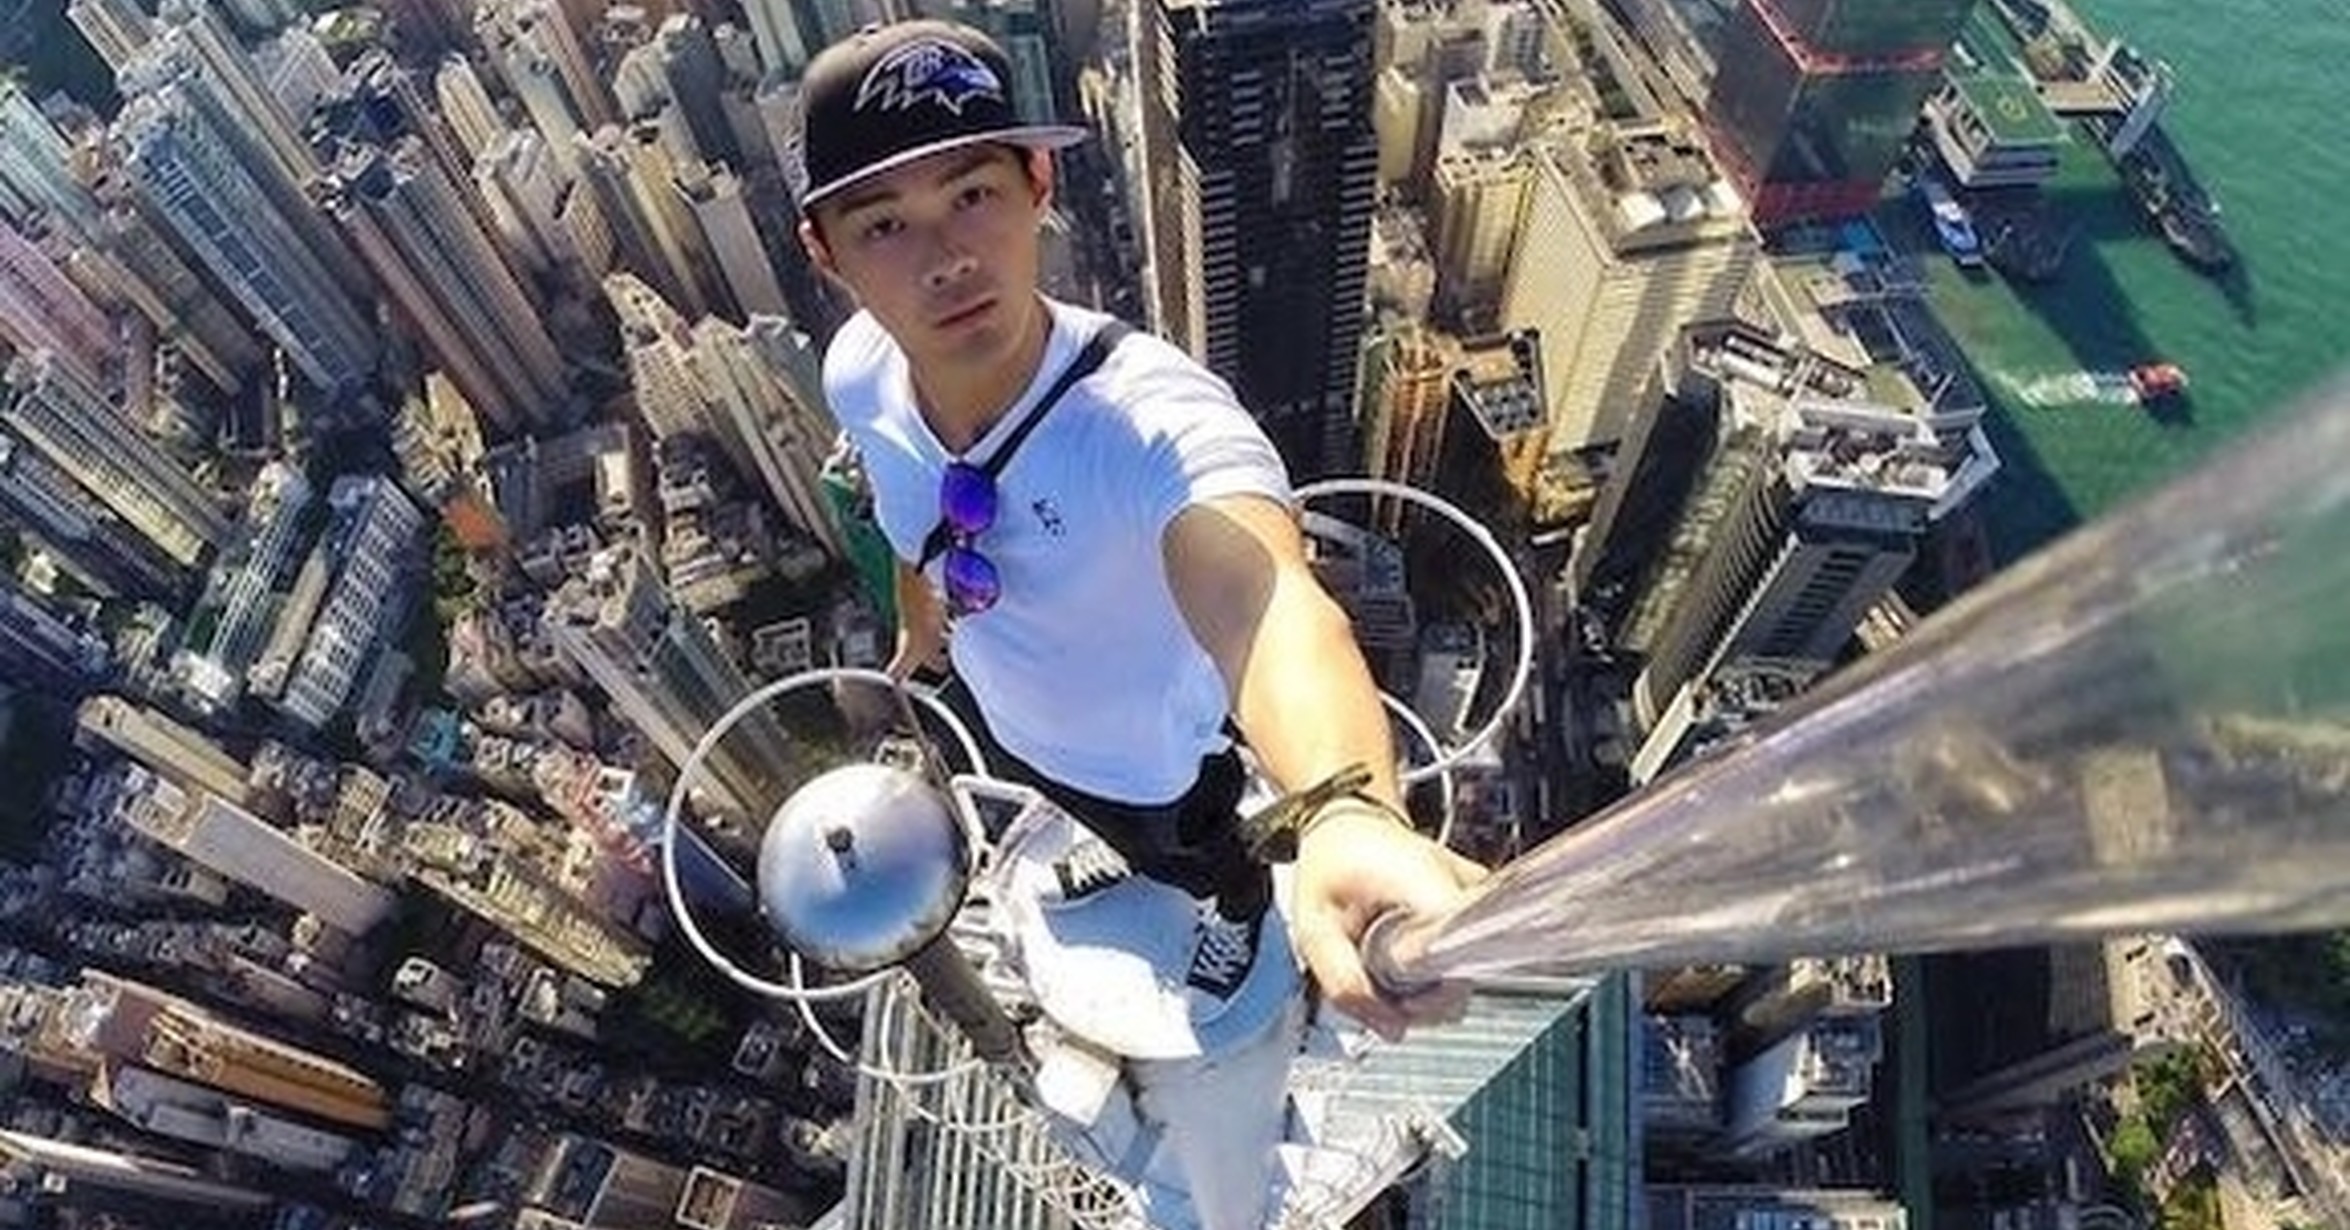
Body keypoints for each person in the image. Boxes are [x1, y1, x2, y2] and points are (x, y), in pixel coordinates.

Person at [792, 18, 1480, 1040]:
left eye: (973, 195)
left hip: (1156, 759)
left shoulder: (1147, 421)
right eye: (884, 224)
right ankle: (1125, 852)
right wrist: (918, 619)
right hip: (1015, 721)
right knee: (1085, 814)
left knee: (1203, 857)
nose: (945, 259)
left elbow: (1261, 603)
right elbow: (905, 508)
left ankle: (1235, 911)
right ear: (826, 253)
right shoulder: (858, 371)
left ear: (1038, 184)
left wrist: (1346, 808)